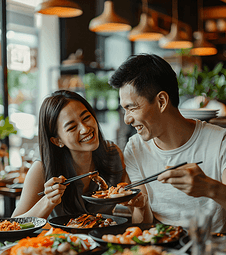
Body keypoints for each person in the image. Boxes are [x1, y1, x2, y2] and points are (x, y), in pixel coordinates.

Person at [109, 53, 226, 233]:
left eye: (131, 108)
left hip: (209, 249)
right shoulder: (135, 148)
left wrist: (209, 188)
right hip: (161, 249)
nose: (127, 119)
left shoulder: (220, 142)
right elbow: (142, 225)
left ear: (161, 101)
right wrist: (140, 206)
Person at [12, 90, 148, 221]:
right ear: (57, 140)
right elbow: (13, 226)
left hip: (103, 241)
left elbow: (138, 220)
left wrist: (140, 208)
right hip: (57, 242)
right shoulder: (42, 169)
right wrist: (48, 202)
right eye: (71, 127)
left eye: (86, 117)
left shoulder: (112, 155)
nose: (85, 129)